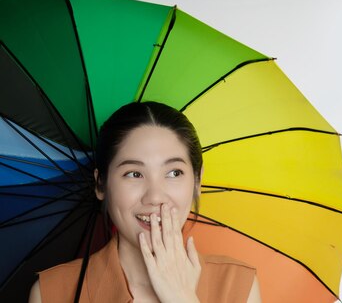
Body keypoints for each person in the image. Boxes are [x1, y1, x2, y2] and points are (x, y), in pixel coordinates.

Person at [29, 102, 262, 303]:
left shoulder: (237, 287)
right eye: (134, 174)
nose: (155, 196)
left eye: (174, 173)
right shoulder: (52, 293)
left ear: (197, 181)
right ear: (101, 184)